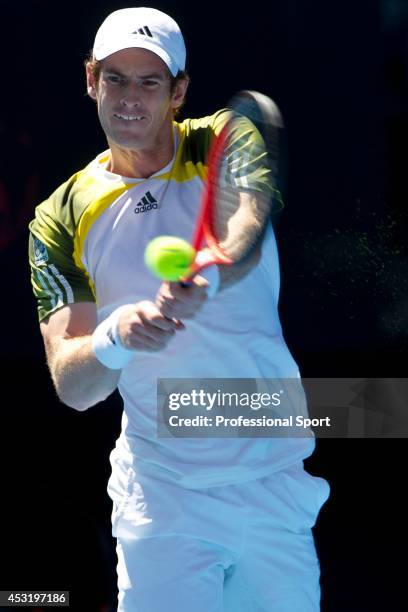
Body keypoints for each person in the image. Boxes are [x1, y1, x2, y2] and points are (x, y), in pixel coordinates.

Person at [28, 7, 330, 611]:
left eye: (150, 81)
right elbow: (73, 385)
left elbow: (244, 224)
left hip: (273, 476)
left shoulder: (223, 137)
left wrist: (210, 274)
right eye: (115, 78)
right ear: (91, 80)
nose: (130, 99)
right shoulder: (58, 216)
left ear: (179, 91)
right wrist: (116, 336)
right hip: (161, 498)